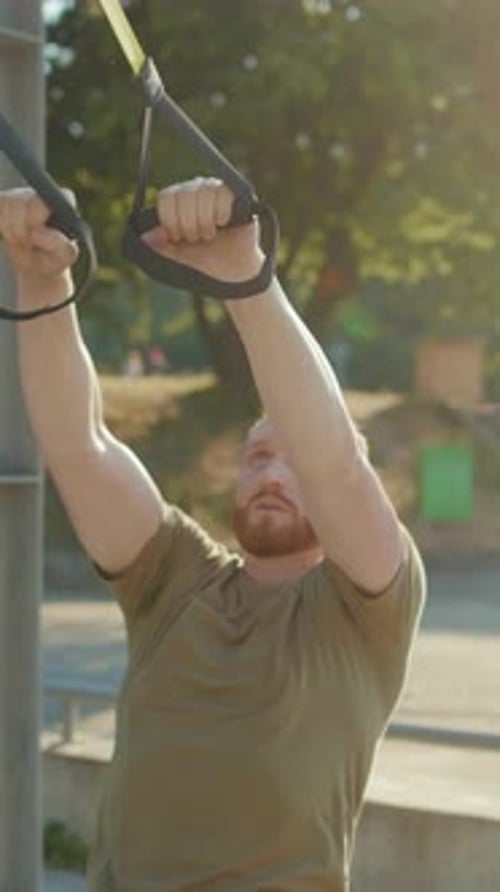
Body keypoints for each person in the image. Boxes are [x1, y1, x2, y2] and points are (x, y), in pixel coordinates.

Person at [0, 179, 426, 892]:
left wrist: (241, 277)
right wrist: (41, 280)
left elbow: (338, 466)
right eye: (259, 454)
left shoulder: (364, 611)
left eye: (294, 457)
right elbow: (80, 446)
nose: (275, 471)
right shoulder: (174, 579)